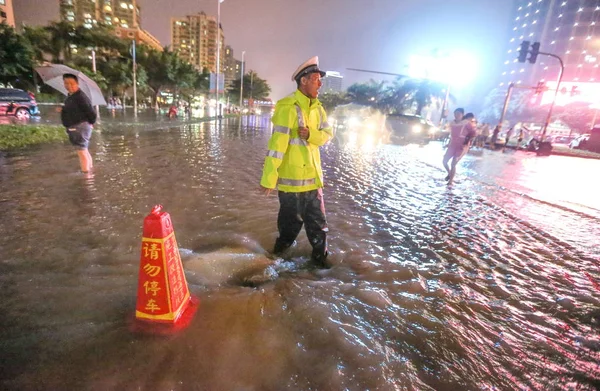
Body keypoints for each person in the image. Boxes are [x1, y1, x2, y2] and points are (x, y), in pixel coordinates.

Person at [260, 56, 334, 268]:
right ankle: (274, 265)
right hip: (291, 185)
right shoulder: (287, 107)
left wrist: (311, 135)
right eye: (316, 79)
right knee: (288, 231)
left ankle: (322, 267)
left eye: (321, 80)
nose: (320, 84)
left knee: (319, 229)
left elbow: (328, 135)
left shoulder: (318, 108)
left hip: (313, 183)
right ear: (303, 81)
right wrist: (269, 179)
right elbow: (276, 147)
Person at [60, 73, 96, 173]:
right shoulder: (71, 97)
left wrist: (91, 122)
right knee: (84, 150)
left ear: (77, 84)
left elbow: (91, 112)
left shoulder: (80, 97)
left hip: (79, 127)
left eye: (72, 83)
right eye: (66, 83)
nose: (69, 86)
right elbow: (75, 110)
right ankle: (90, 171)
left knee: (81, 151)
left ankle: (86, 176)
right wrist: (63, 109)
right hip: (79, 126)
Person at [442, 111, 477, 185]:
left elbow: (473, 133)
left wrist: (466, 140)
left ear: (462, 115)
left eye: (459, 114)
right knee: (444, 161)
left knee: (453, 163)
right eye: (455, 114)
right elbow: (451, 134)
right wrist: (448, 143)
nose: (456, 115)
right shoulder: (452, 123)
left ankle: (450, 181)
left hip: (462, 146)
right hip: (452, 144)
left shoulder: (467, 123)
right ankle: (449, 173)